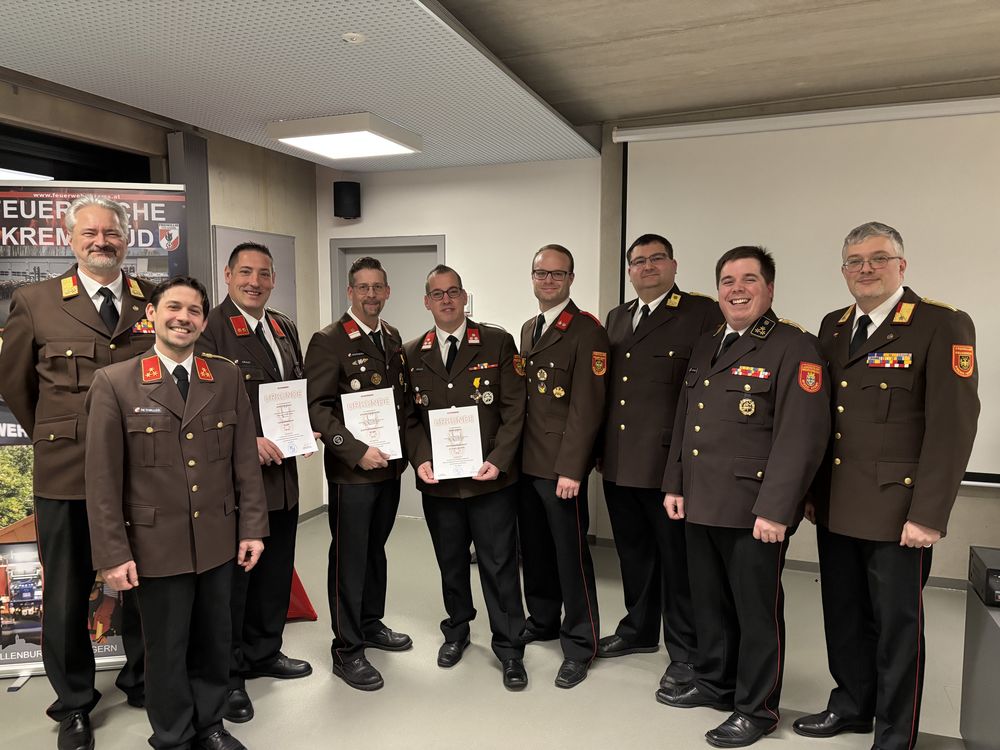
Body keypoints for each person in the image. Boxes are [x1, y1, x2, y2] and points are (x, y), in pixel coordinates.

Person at [794, 222, 979, 750]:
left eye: (878, 258)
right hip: (836, 505)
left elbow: (953, 427)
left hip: (899, 512)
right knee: (844, 616)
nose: (866, 269)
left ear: (902, 265)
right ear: (843, 270)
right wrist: (812, 493)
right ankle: (852, 705)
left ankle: (896, 733)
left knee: (898, 629)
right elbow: (822, 420)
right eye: (855, 261)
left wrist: (929, 514)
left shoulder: (940, 324)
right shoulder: (832, 327)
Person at [85, 276, 268, 750]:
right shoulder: (116, 382)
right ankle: (173, 736)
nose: (182, 318)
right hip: (155, 544)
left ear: (204, 322)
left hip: (218, 540)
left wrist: (252, 528)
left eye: (193, 311)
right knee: (165, 649)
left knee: (214, 640)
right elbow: (102, 480)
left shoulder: (225, 376)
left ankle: (210, 725)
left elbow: (244, 462)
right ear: (151, 315)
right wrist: (112, 553)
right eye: (173, 307)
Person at [659, 246, 831, 748]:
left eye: (749, 279)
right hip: (701, 500)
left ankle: (757, 708)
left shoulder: (794, 346)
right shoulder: (708, 342)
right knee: (709, 604)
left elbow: (802, 437)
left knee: (756, 614)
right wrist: (675, 482)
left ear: (769, 289)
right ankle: (716, 683)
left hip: (754, 508)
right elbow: (686, 419)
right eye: (728, 281)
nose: (737, 289)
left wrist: (777, 509)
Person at [0, 195, 147, 750]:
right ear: (71, 239)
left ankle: (142, 679)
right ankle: (75, 704)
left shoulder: (151, 299)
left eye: (111, 232)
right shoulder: (35, 300)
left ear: (127, 239)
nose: (101, 241)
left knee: (146, 584)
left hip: (142, 472)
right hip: (67, 473)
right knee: (66, 593)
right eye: (90, 233)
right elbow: (16, 384)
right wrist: (60, 431)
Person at [597, 233, 722, 690]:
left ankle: (685, 650)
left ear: (673, 265)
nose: (647, 267)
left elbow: (708, 389)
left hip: (669, 464)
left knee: (677, 562)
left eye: (656, 259)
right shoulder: (618, 316)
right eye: (638, 261)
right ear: (629, 270)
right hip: (619, 459)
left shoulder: (701, 312)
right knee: (633, 554)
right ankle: (639, 629)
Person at [198, 243, 313, 724]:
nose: (255, 282)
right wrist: (250, 442)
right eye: (245, 272)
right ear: (227, 275)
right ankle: (230, 676)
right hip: (236, 479)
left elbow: (293, 389)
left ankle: (265, 651)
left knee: (275, 570)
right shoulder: (211, 328)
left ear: (273, 279)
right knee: (235, 584)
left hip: (282, 474)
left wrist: (303, 428)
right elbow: (201, 407)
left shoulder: (283, 327)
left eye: (264, 274)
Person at [404, 265, 528, 690]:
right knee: (451, 563)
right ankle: (456, 631)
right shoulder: (411, 352)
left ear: (464, 297)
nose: (447, 300)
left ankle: (510, 648)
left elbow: (514, 409)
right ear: (427, 301)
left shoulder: (496, 342)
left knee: (499, 565)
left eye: (453, 291)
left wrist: (500, 458)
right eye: (438, 294)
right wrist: (420, 458)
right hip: (440, 485)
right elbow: (409, 417)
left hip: (489, 480)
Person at [305, 256, 411, 691]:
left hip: (389, 466)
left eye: (377, 287)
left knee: (375, 549)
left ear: (387, 292)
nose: (371, 294)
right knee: (349, 557)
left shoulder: (392, 336)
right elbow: (317, 408)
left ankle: (370, 622)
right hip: (353, 472)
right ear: (350, 292)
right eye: (363, 287)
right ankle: (347, 649)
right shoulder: (328, 340)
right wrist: (355, 451)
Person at [517, 244, 607, 688]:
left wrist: (573, 469)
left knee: (571, 558)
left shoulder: (587, 330)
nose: (548, 280)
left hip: (560, 469)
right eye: (541, 273)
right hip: (526, 464)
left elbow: (588, 408)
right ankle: (543, 619)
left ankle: (580, 643)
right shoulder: (528, 328)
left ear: (571, 278)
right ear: (532, 277)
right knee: (534, 551)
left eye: (557, 273)